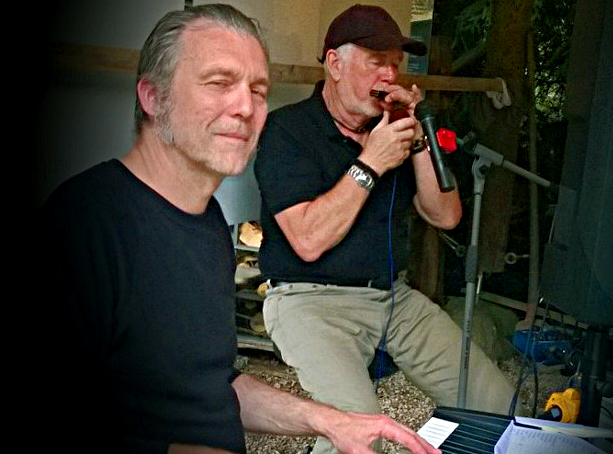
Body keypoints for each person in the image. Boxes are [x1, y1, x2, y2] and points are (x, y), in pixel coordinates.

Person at [36, 4, 441, 454]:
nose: (246, 107)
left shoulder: (207, 222)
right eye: (219, 83)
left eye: (258, 90)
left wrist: (330, 421)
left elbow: (214, 385)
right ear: (153, 97)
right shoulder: (86, 222)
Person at [254, 5, 464, 454]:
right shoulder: (287, 129)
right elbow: (308, 241)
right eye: (376, 61)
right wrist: (371, 162)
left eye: (395, 63)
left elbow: (446, 216)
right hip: (308, 299)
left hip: (393, 297)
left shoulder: (392, 131)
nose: (389, 75)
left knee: (493, 402)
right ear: (335, 64)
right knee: (357, 434)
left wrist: (418, 138)